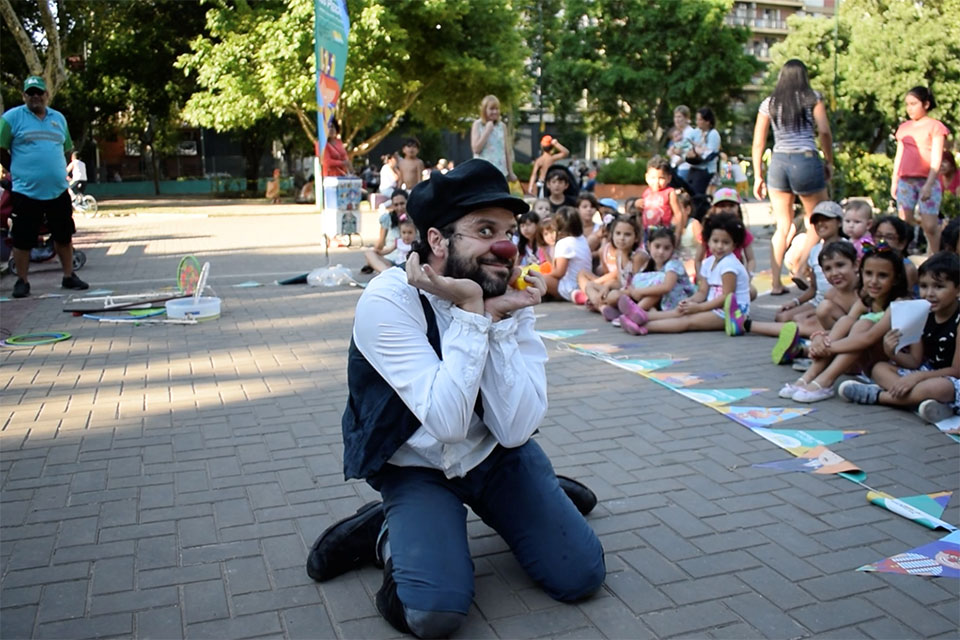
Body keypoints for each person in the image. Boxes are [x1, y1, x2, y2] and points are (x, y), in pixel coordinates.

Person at [305, 159, 605, 638]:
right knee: (434, 615)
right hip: (418, 468)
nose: (506, 247)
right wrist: (471, 313)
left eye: (510, 230)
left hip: (495, 456)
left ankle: (528, 497)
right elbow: (445, 422)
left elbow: (514, 430)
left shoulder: (508, 289)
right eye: (485, 230)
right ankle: (385, 531)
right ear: (438, 240)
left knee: (580, 576)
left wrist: (502, 325)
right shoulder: (388, 301)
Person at [781, 242, 910, 403]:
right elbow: (846, 325)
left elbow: (868, 338)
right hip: (860, 361)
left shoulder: (898, 304)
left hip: (887, 364)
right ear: (861, 273)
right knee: (845, 321)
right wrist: (821, 338)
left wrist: (827, 348)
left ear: (896, 278)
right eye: (869, 274)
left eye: (882, 276)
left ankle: (825, 381)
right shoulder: (867, 300)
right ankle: (808, 377)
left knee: (863, 325)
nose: (873, 281)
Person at [839, 251, 959, 422]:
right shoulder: (921, 311)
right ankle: (920, 401)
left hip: (950, 379)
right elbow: (914, 361)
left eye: (939, 287)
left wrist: (915, 378)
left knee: (940, 387)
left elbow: (956, 370)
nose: (930, 293)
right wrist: (892, 352)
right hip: (925, 372)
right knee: (880, 368)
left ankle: (879, 396)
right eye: (924, 286)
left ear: (958, 289)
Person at [0, 76, 88, 298]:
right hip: (25, 191)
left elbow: (67, 149)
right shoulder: (12, 118)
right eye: (31, 93)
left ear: (47, 95)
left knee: (64, 235)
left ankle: (69, 276)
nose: (36, 96)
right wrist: (15, 171)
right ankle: (22, 281)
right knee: (22, 238)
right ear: (24, 96)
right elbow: (0, 148)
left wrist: (59, 169)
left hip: (57, 189)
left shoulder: (58, 118)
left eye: (39, 92)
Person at [752, 59, 833, 296]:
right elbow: (825, 131)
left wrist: (758, 175)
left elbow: (758, 142)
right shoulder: (812, 98)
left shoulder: (769, 103)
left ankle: (776, 283)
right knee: (818, 219)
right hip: (805, 160)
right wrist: (829, 160)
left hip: (778, 162)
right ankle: (800, 267)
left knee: (783, 226)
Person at [617, 213, 750, 337]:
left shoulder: (729, 266)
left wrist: (699, 307)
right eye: (715, 241)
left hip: (733, 313)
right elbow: (702, 292)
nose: (719, 246)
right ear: (708, 241)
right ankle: (640, 315)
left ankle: (644, 327)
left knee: (688, 321)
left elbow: (727, 297)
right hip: (714, 307)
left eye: (725, 242)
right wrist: (689, 302)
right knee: (682, 311)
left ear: (734, 245)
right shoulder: (708, 263)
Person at [891, 86, 950, 254]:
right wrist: (894, 180)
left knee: (930, 225)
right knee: (904, 222)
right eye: (907, 104)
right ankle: (903, 255)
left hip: (927, 180)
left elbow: (937, 158)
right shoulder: (904, 128)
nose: (910, 108)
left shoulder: (935, 127)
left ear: (925, 104)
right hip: (906, 180)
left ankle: (936, 255)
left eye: (914, 104)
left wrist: (930, 184)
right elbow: (899, 155)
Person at [605, 226, 693, 325]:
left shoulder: (673, 264)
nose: (661, 252)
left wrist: (639, 292)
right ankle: (625, 311)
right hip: (659, 302)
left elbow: (666, 287)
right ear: (649, 245)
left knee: (657, 286)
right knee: (616, 295)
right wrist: (628, 292)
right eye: (657, 246)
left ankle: (634, 313)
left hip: (677, 302)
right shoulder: (650, 264)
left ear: (673, 249)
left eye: (666, 248)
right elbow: (637, 282)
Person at [577, 215, 644, 312]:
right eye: (618, 233)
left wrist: (612, 293)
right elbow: (621, 282)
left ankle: (601, 306)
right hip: (622, 292)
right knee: (590, 286)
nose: (621, 238)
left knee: (614, 295)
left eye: (627, 234)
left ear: (636, 238)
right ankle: (603, 307)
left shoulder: (638, 256)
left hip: (634, 294)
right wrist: (607, 287)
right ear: (612, 235)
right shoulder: (619, 254)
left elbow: (636, 287)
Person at [541, 206, 592, 303]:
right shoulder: (582, 239)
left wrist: (544, 274)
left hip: (570, 285)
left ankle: (574, 295)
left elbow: (559, 272)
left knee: (542, 279)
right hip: (584, 283)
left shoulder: (564, 243)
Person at [470, 95, 516, 181]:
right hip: (482, 172)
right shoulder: (478, 124)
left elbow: (506, 151)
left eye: (497, 109)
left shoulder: (502, 126)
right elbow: (476, 149)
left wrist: (510, 172)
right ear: (484, 110)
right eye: (491, 109)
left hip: (500, 172)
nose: (495, 112)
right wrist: (487, 131)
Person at [640, 155, 683, 247]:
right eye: (653, 178)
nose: (656, 182)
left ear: (669, 178)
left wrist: (677, 234)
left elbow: (678, 214)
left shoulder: (670, 193)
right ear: (646, 177)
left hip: (664, 232)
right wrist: (637, 204)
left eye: (661, 178)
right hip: (647, 231)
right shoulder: (646, 193)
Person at [363, 189, 409, 274]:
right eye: (396, 205)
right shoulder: (387, 218)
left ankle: (390, 274)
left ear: (408, 202)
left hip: (408, 261)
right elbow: (381, 243)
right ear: (392, 205)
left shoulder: (413, 218)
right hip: (390, 260)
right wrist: (375, 252)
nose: (399, 208)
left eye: (402, 204)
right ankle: (389, 273)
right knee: (369, 253)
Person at [871, 215, 919, 293]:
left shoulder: (907, 269)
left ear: (902, 243)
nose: (882, 241)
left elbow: (905, 299)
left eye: (889, 237)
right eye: (879, 236)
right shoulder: (873, 262)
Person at [685, 107, 721, 197]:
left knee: (698, 194)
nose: (697, 122)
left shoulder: (713, 134)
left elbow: (709, 154)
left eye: (700, 120)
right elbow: (686, 142)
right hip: (694, 167)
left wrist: (697, 150)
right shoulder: (696, 132)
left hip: (705, 170)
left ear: (707, 121)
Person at [667, 106, 699, 181]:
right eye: (675, 117)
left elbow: (690, 152)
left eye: (679, 117)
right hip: (676, 166)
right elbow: (671, 149)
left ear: (686, 118)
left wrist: (676, 163)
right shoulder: (677, 132)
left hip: (686, 167)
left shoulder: (690, 132)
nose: (676, 120)